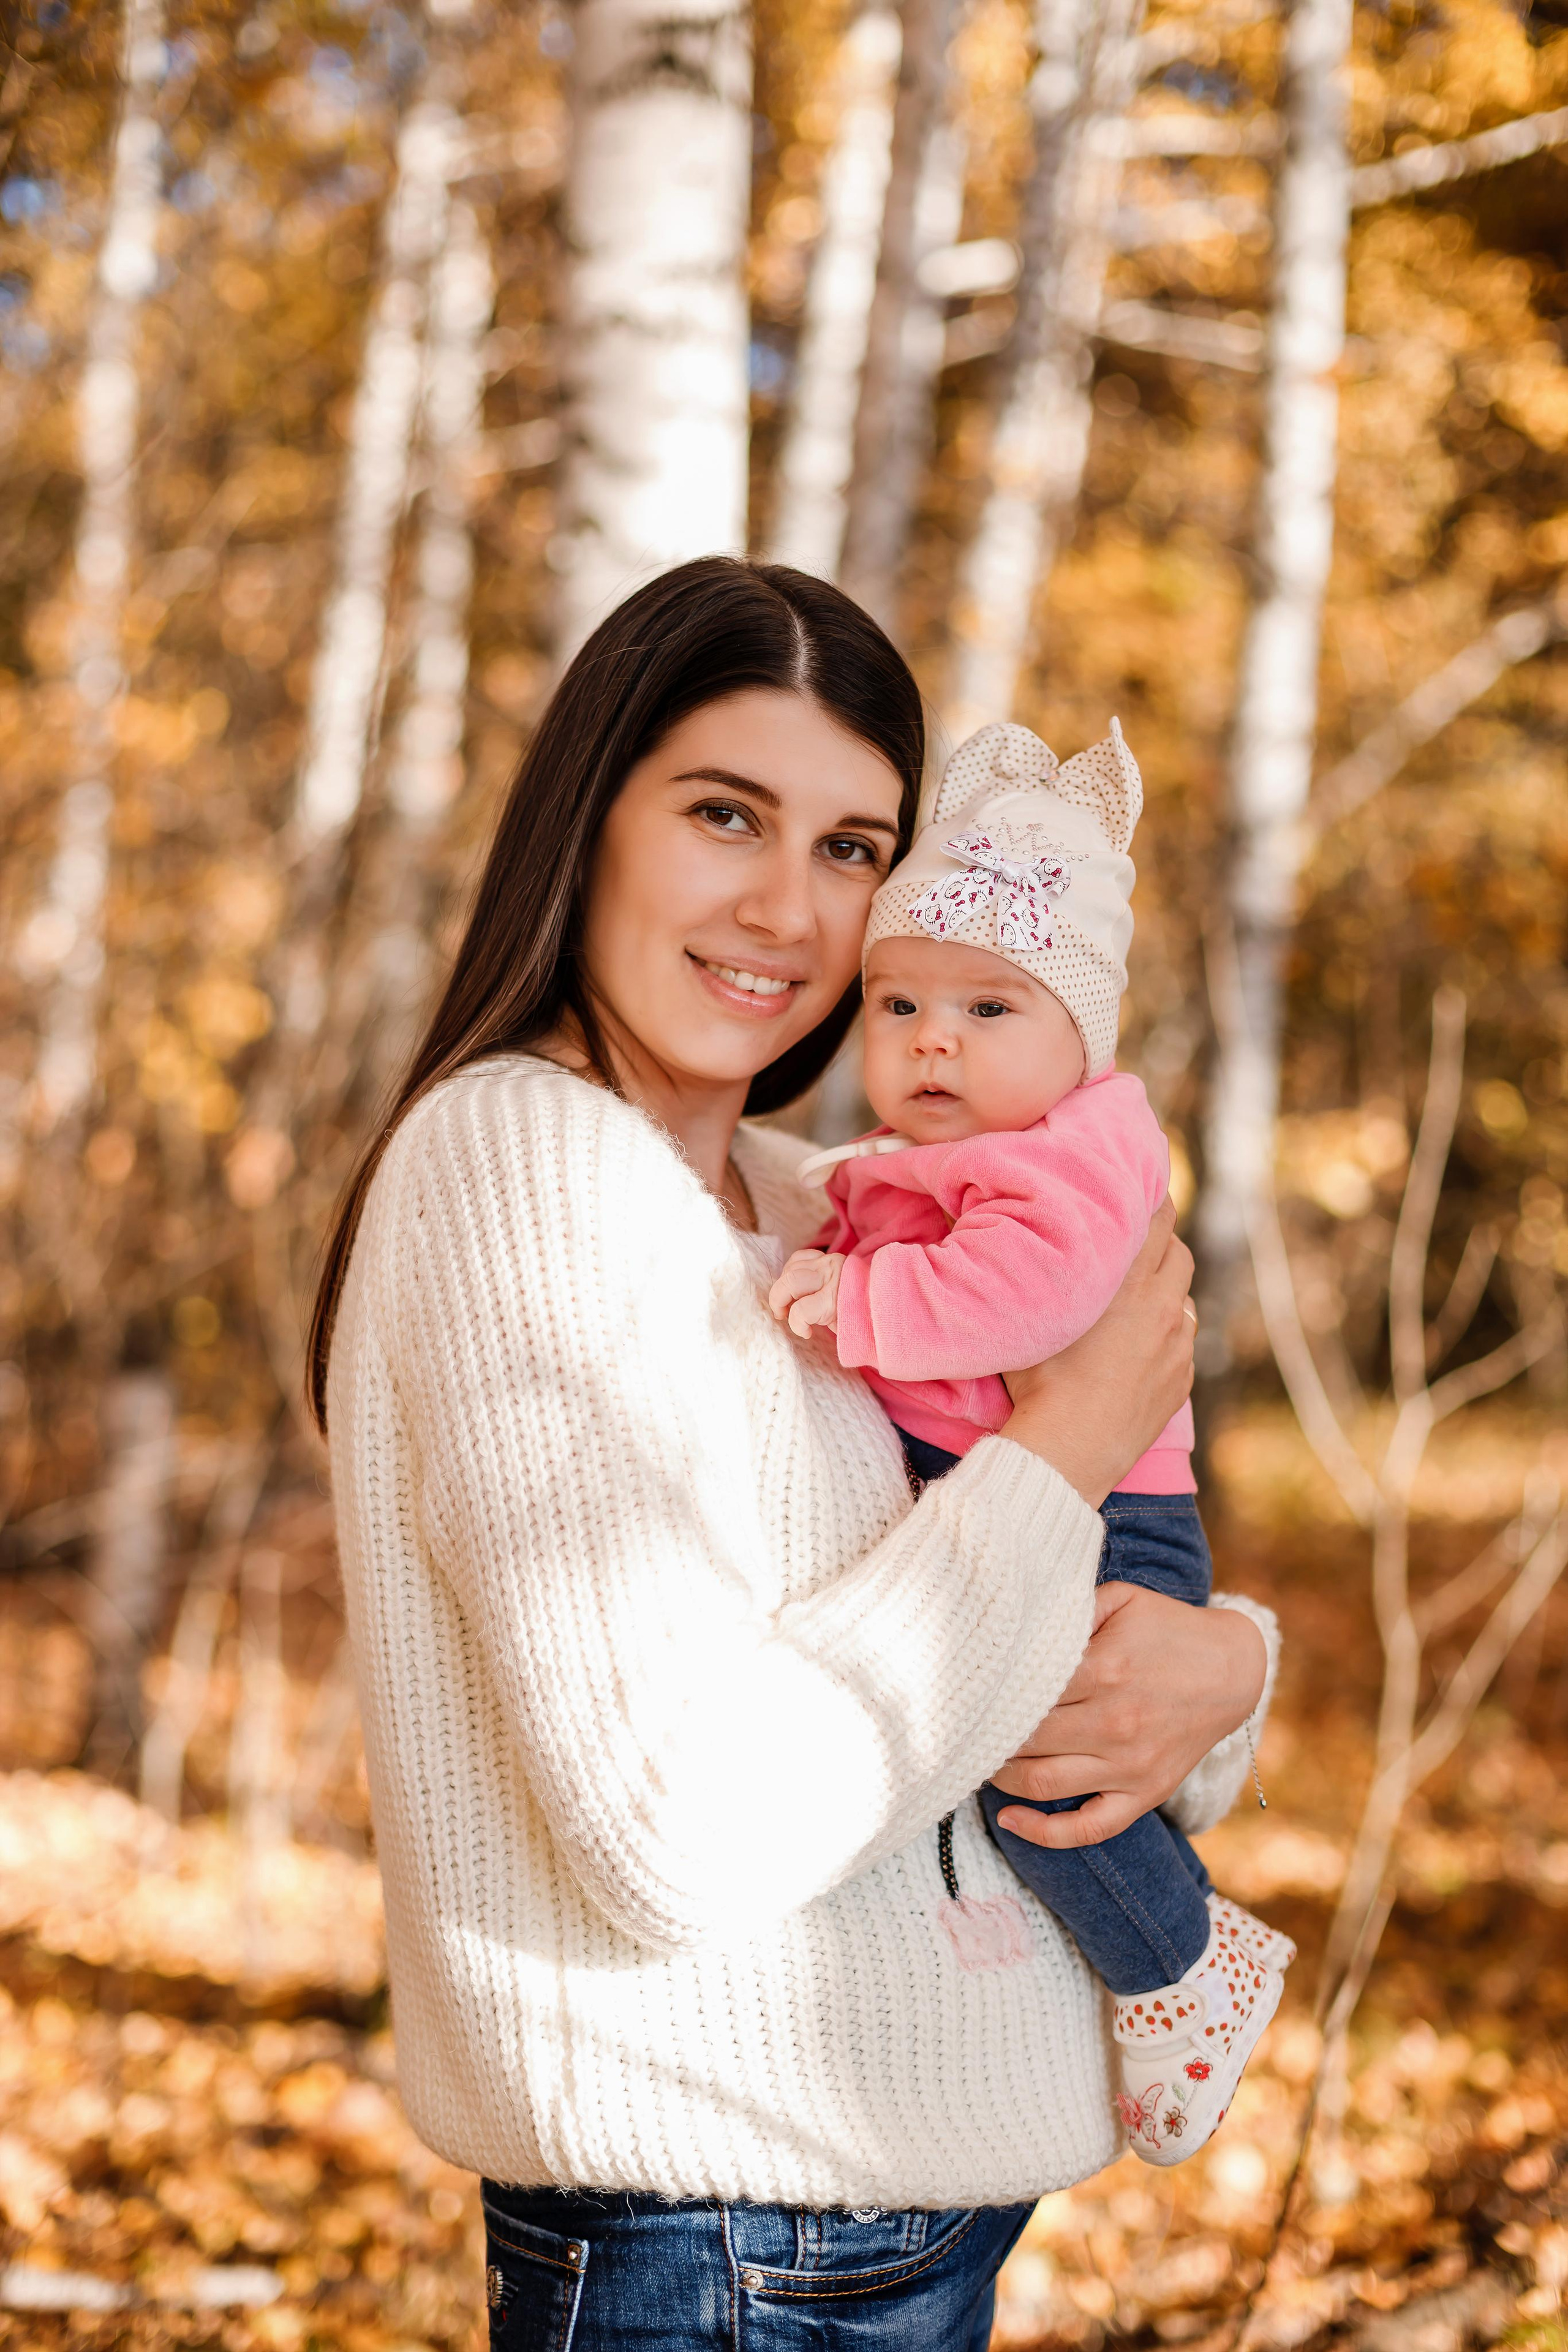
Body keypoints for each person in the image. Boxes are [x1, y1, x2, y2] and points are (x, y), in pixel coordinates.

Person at [309, 558, 1275, 2350]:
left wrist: (1228, 1670)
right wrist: (1060, 1451)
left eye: (852, 848)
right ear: (589, 819)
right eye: (727, 814)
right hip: (726, 2247)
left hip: (892, 2230)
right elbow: (680, 1830)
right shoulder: (524, 1168)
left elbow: (1032, 1675)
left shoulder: (819, 1205)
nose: (787, 905)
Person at [767, 716, 1294, 2169]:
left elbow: (1032, 1296)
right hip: (1026, 1493)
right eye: (899, 1005)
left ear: (1080, 1039)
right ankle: (1169, 1946)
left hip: (1106, 1509)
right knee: (1023, 1759)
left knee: (1040, 1775)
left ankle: (1180, 1965)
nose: (933, 1038)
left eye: (989, 1011)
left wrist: (856, 1297)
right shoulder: (927, 1157)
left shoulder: (1068, 1152)